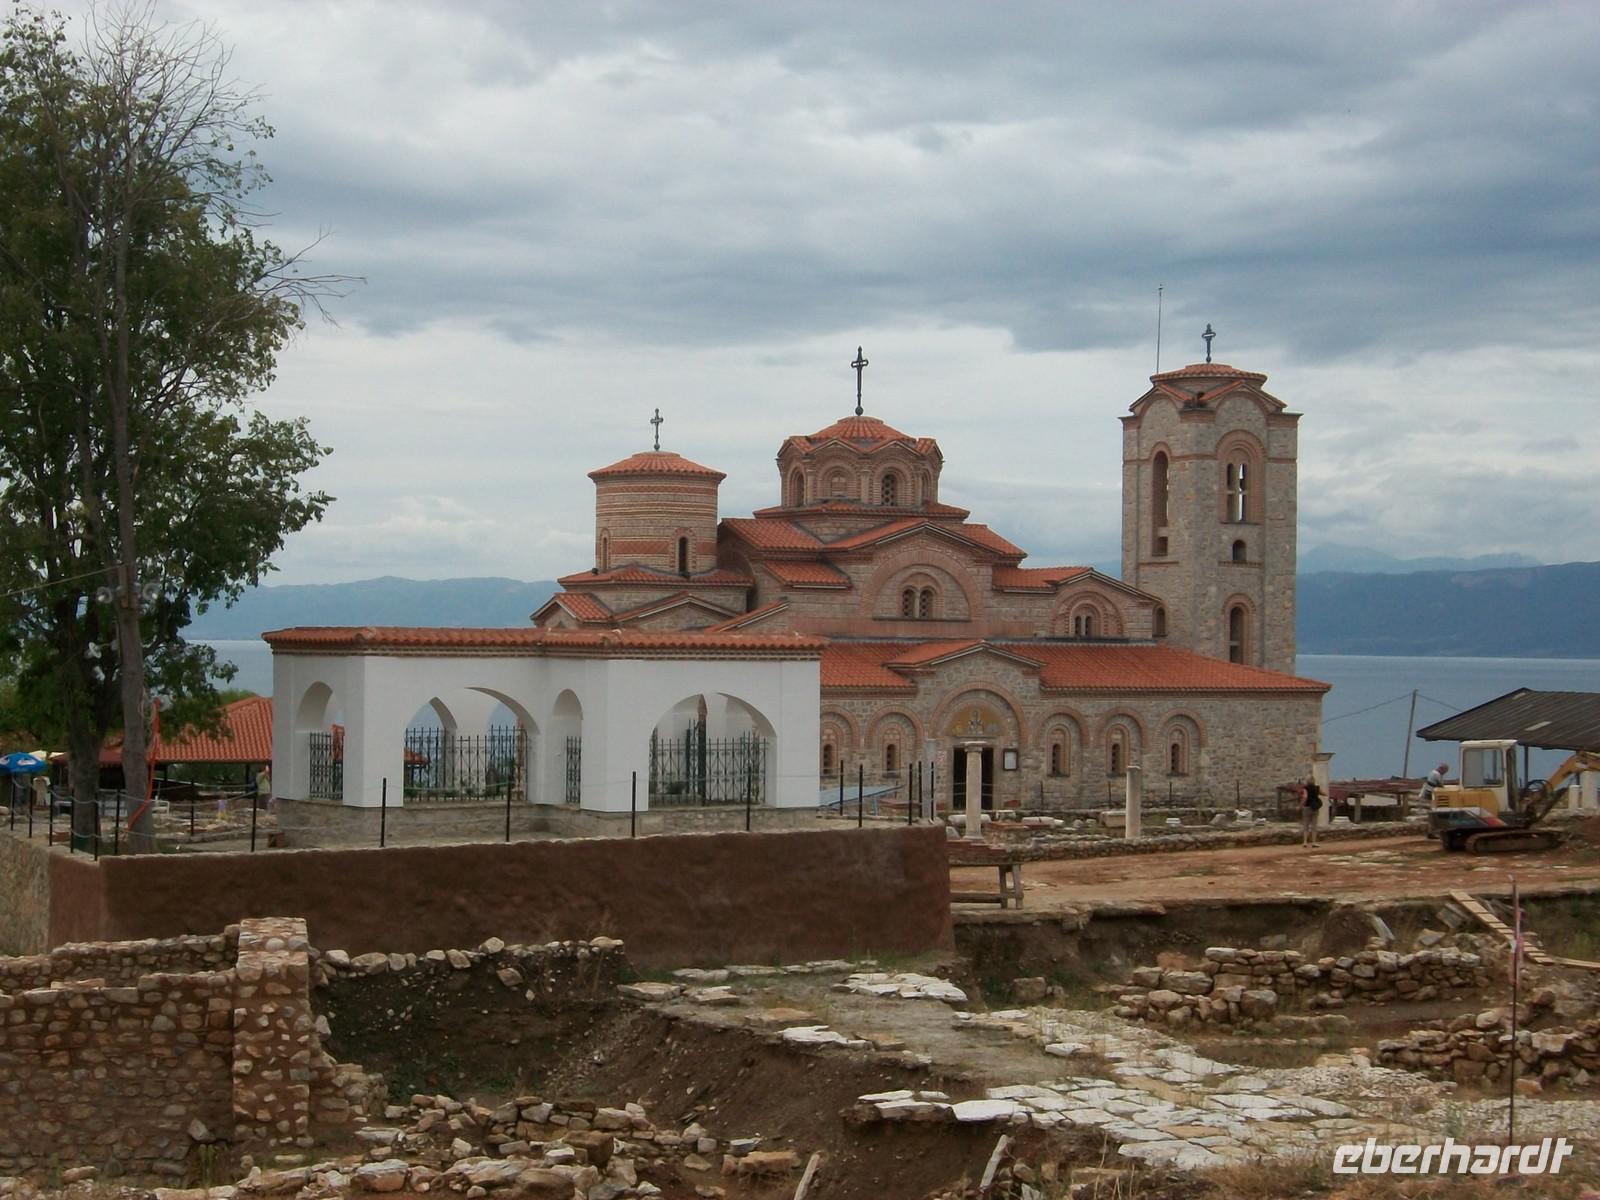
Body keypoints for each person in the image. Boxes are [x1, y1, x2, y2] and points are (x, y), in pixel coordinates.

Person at [1300, 777, 1323, 846]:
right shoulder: (1317, 788)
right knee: (1314, 826)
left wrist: (1301, 804)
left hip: (1307, 808)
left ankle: (1305, 842)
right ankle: (1314, 842)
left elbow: (1305, 797)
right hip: (1315, 808)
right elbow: (1324, 793)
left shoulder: (1305, 788)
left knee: (1306, 825)